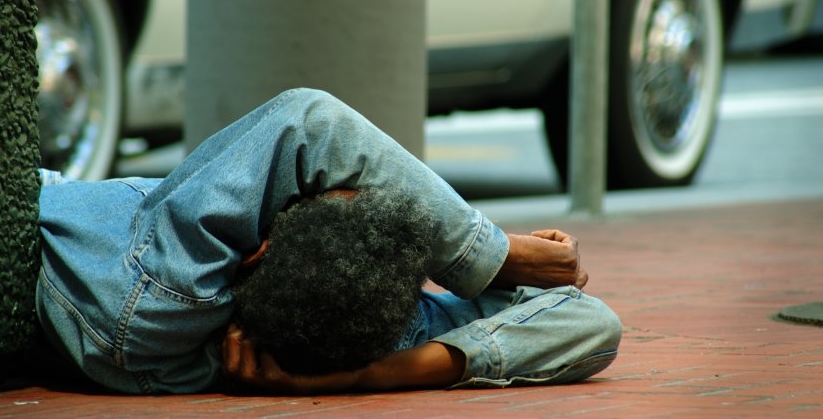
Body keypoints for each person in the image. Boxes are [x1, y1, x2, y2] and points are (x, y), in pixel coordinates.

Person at [37, 88, 621, 395]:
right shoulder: (389, 333)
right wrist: (367, 377)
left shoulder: (171, 274)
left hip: (103, 278)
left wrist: (496, 254)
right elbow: (592, 324)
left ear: (260, 247)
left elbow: (313, 121)